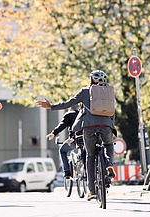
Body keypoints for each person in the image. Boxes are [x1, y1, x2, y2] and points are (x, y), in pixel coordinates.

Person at [35, 70, 116, 201]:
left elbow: (68, 103)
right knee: (108, 144)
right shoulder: (109, 92)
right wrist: (111, 126)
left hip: (88, 127)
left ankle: (92, 191)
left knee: (90, 156)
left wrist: (51, 106)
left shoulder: (85, 91)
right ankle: (109, 163)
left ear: (91, 80)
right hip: (106, 126)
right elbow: (112, 111)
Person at [46, 107, 80, 178]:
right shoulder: (83, 114)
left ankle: (67, 171)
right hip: (86, 138)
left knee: (62, 150)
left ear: (70, 108)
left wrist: (53, 133)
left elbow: (62, 125)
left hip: (74, 140)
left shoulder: (69, 114)